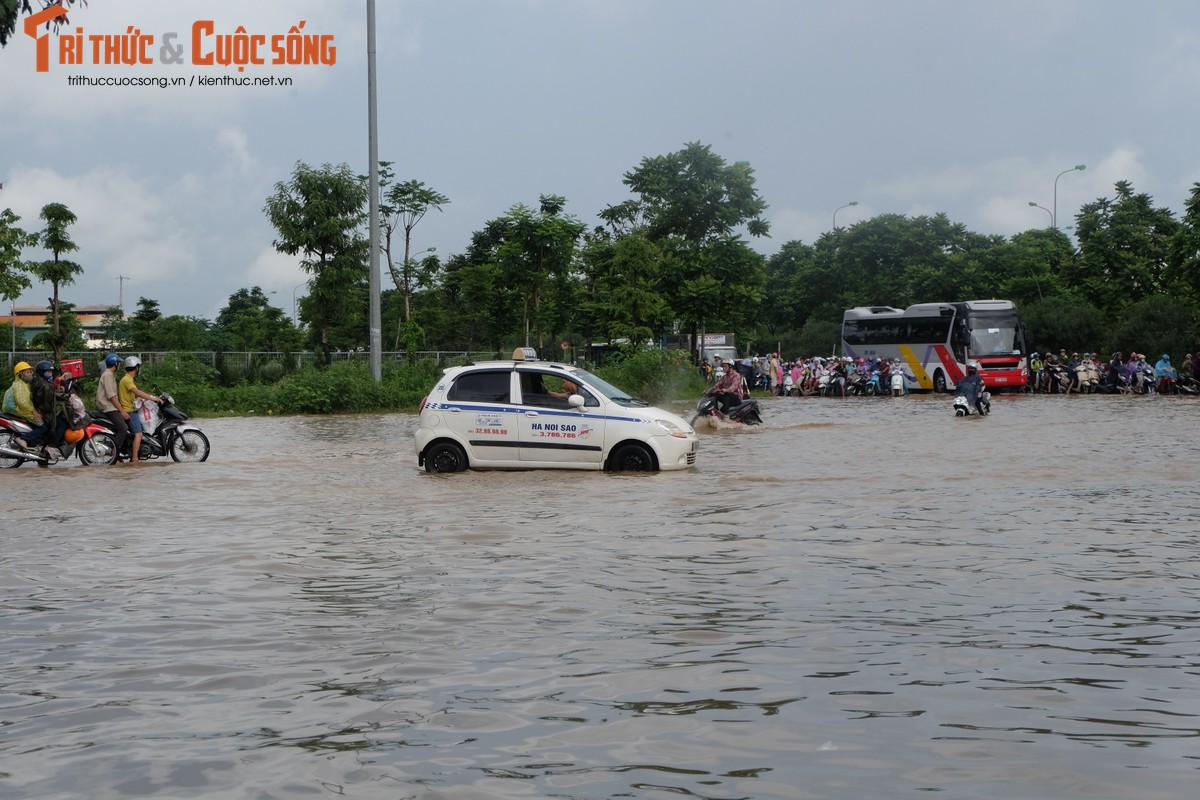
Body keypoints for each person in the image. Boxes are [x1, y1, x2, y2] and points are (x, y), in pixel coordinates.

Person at [119, 356, 160, 464]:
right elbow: (137, 392)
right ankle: (135, 459)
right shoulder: (127, 379)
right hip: (129, 411)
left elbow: (135, 394)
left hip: (131, 409)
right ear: (136, 367)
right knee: (139, 434)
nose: (139, 369)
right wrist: (153, 398)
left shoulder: (128, 379)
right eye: (139, 367)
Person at [30, 360, 67, 457]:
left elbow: (50, 391)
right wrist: (64, 397)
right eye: (48, 372)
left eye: (51, 372)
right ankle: (51, 447)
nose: (50, 374)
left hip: (41, 410)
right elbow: (48, 401)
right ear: (42, 372)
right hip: (44, 413)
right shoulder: (43, 385)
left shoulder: (37, 380)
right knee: (62, 425)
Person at [4, 362, 43, 450]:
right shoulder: (20, 385)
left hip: (22, 409)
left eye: (30, 371)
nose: (30, 374)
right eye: (27, 372)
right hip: (20, 410)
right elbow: (23, 402)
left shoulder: (25, 384)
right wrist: (34, 411)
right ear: (20, 374)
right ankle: (23, 439)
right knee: (43, 427)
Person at [96, 353, 129, 457]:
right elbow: (111, 396)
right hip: (108, 408)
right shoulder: (107, 376)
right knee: (123, 428)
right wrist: (122, 411)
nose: (120, 365)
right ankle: (114, 452)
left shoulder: (109, 375)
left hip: (110, 407)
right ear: (115, 364)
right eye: (119, 363)